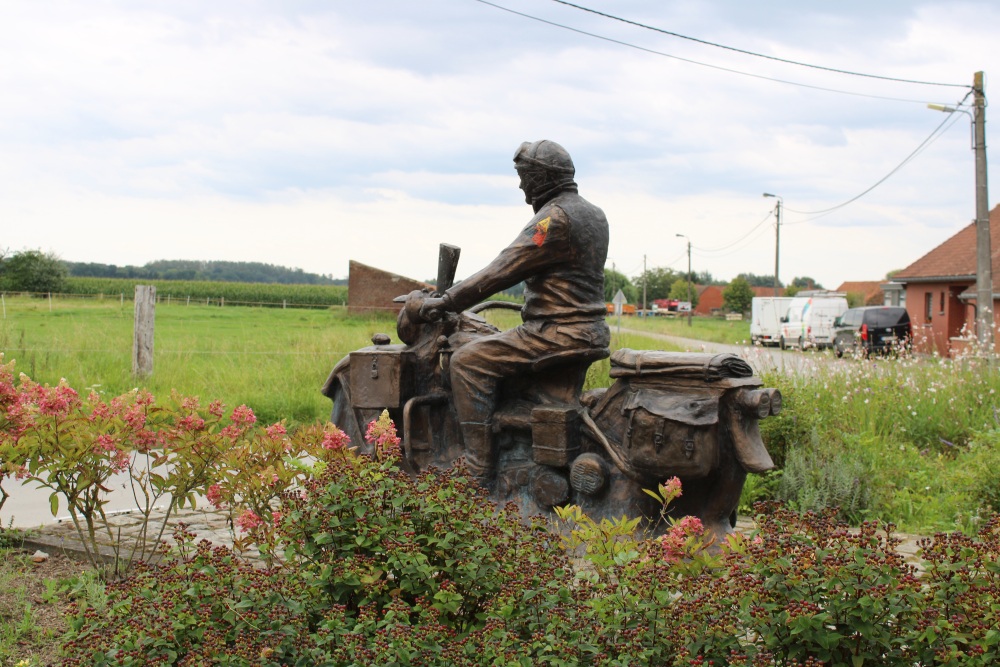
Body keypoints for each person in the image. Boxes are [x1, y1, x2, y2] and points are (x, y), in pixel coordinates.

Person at [418, 140, 610, 485]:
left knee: (466, 361)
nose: (521, 185)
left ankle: (478, 470)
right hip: (588, 329)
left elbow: (504, 268)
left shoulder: (552, 221)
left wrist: (445, 302)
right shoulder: (593, 213)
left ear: (541, 177)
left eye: (524, 177)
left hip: (557, 332)